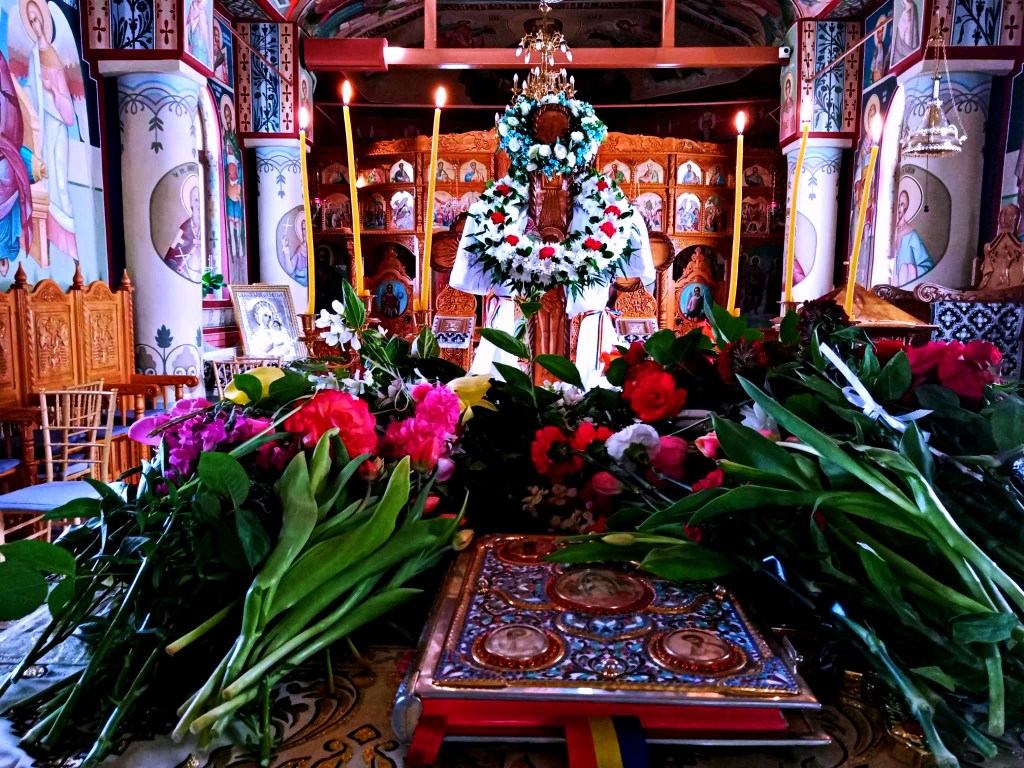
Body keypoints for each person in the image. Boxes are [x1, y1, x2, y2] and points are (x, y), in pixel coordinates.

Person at [23, 0, 78, 260]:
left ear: (45, 22)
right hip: (42, 127)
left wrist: (53, 90)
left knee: (59, 182)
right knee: (45, 178)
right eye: (31, 20)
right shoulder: (34, 55)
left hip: (57, 125)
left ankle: (68, 244)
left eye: (38, 19)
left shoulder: (53, 55)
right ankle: (48, 239)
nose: (35, 24)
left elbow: (66, 105)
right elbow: (31, 90)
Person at [0, 49, 43, 277]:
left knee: (7, 174)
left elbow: (11, 123)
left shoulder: (6, 99)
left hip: (6, 151)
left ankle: (3, 246)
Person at [165, 176, 203, 281]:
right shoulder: (185, 227)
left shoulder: (205, 225)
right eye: (196, 200)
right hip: (186, 272)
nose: (198, 204)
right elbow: (172, 253)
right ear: (191, 203)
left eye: (200, 200)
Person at [893, 188, 934, 284]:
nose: (898, 208)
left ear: (906, 207)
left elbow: (927, 265)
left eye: (902, 204)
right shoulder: (889, 231)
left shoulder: (912, 236)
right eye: (897, 204)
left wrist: (911, 270)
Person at [186, 0, 211, 65]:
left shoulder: (204, 12)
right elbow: (189, 22)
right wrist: (195, 21)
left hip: (203, 39)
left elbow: (206, 30)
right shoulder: (193, 6)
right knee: (196, 51)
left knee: (203, 53)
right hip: (196, 35)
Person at [870, 16, 890, 84]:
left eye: (882, 31)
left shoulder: (886, 49)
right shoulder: (875, 50)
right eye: (878, 32)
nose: (880, 34)